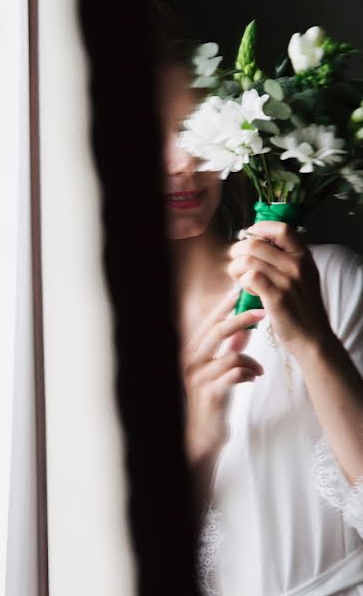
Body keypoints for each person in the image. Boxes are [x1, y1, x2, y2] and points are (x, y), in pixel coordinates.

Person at [157, 33, 363, 596]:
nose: (182, 162)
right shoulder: (86, 346)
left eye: (193, 130)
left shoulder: (331, 283)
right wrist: (199, 441)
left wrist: (313, 344)